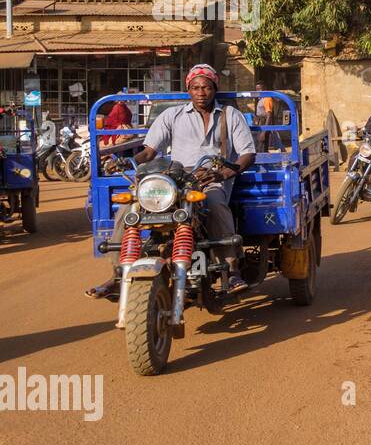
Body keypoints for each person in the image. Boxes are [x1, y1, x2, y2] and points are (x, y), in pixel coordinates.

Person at [88, 64, 256, 297]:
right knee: (128, 208)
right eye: (195, 87)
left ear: (214, 88)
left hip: (210, 178)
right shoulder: (172, 115)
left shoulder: (230, 115)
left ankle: (232, 269)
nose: (201, 92)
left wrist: (225, 173)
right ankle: (118, 272)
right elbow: (149, 152)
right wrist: (126, 161)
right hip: (174, 179)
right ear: (188, 89)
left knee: (216, 205)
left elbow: (248, 153)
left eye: (206, 87)